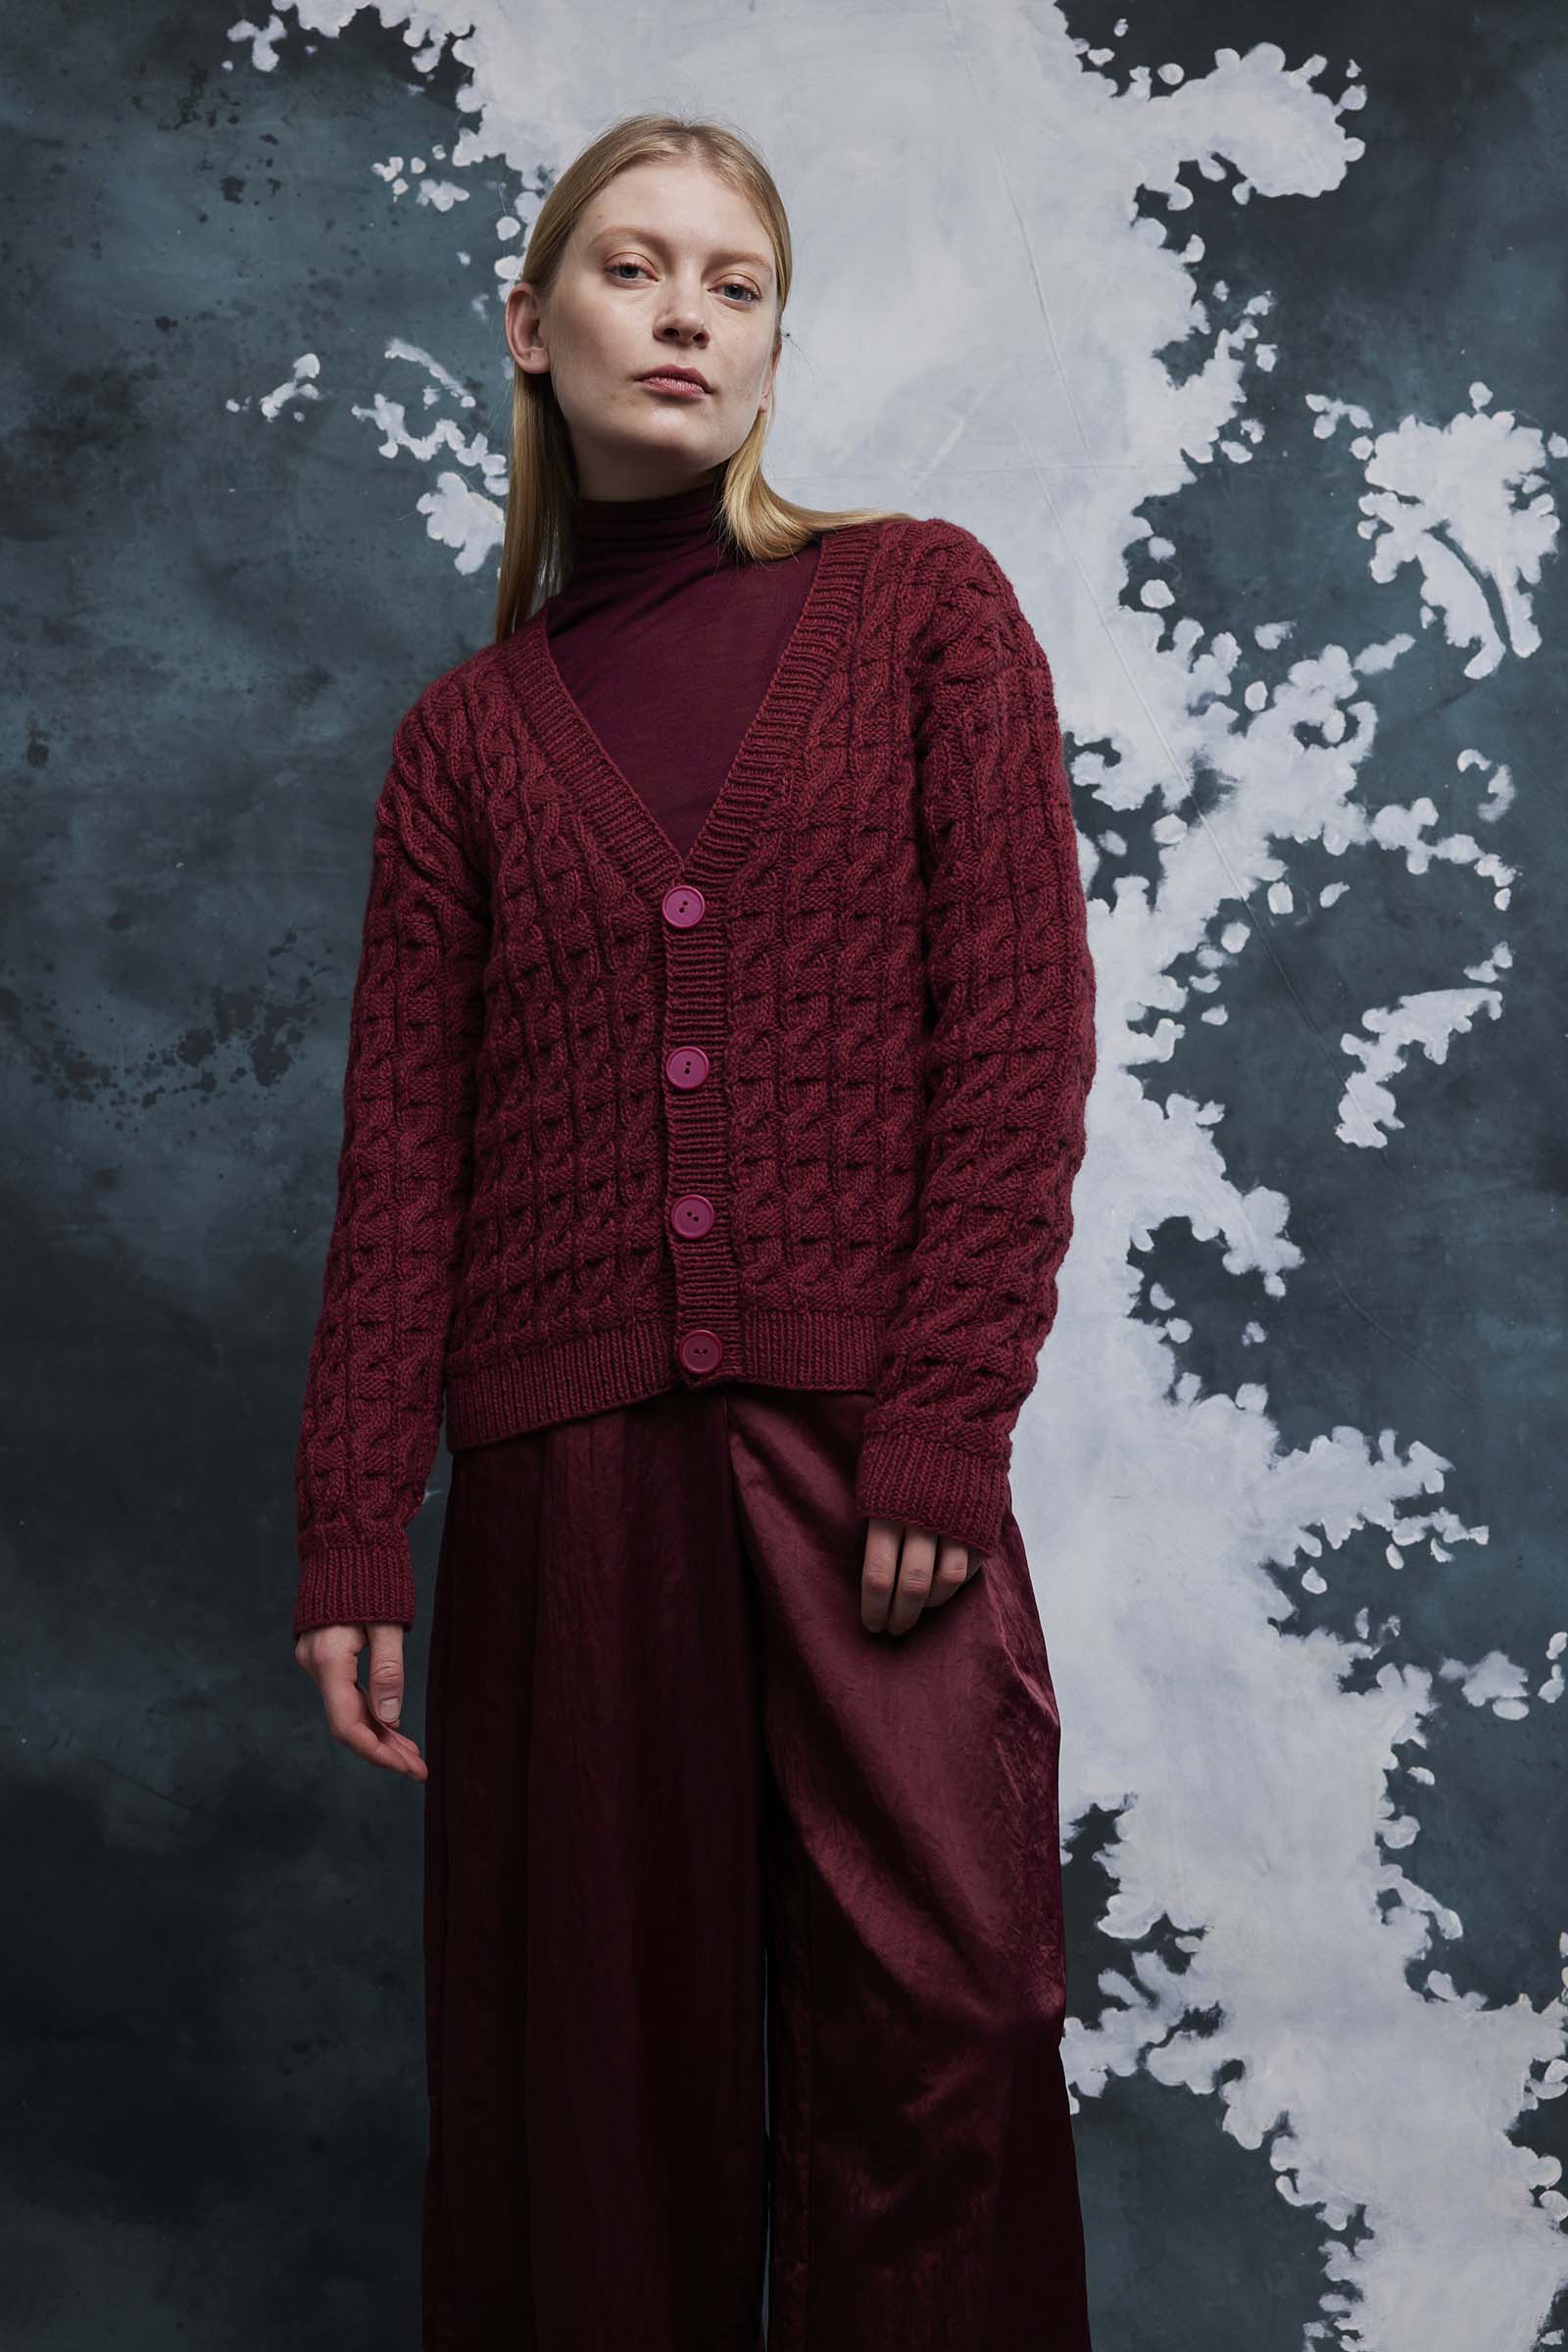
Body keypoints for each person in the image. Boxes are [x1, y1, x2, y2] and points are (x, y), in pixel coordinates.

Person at [290, 109, 1097, 2352]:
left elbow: (1015, 1032)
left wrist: (944, 1413)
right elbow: (404, 1158)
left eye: (734, 287)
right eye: (632, 269)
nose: (684, 317)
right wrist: (354, 1522)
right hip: (567, 1492)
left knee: (943, 2031)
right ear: (530, 327)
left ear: (770, 353)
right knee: (591, 2099)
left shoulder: (920, 608)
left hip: (868, 1465)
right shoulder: (464, 745)